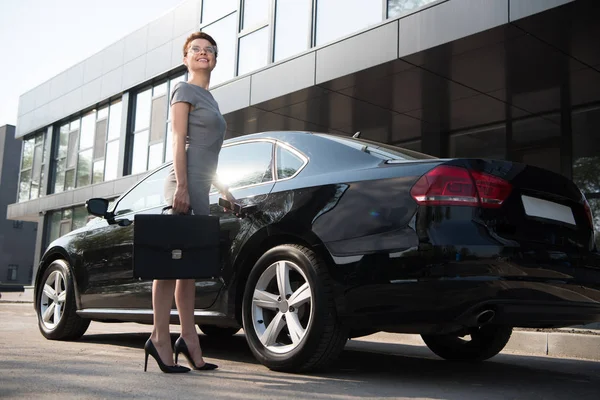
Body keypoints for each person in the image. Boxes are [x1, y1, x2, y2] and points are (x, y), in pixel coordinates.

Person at [143, 31, 235, 373]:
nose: (203, 53)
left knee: (189, 271)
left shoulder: (211, 99)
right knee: (169, 265)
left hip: (201, 188)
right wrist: (181, 186)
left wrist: (223, 190)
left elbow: (208, 153)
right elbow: (179, 141)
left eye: (210, 49)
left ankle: (189, 339)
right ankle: (160, 338)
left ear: (214, 59)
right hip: (182, 185)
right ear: (186, 58)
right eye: (196, 49)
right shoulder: (183, 90)